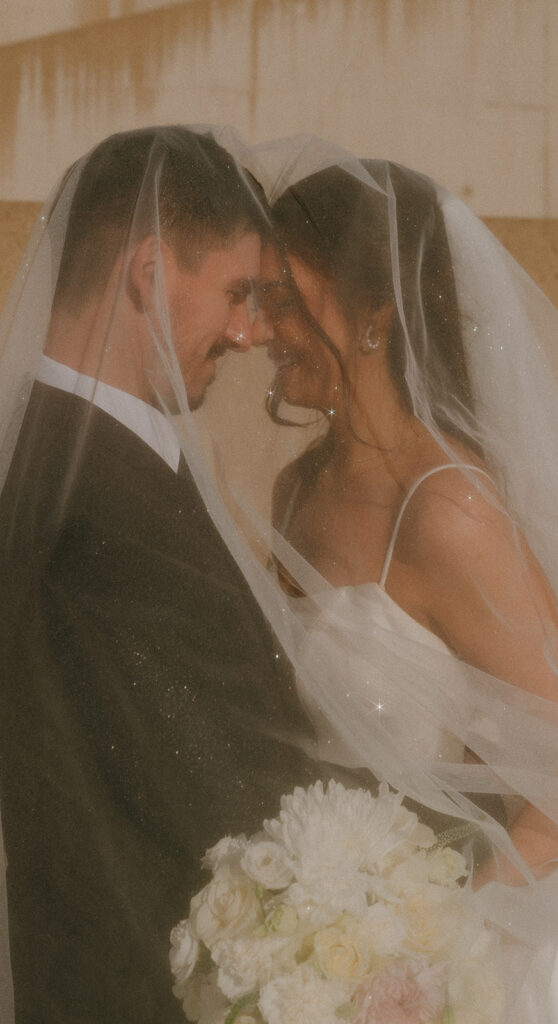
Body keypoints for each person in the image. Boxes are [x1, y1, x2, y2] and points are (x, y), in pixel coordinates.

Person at [235, 151, 558, 1021]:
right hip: (324, 945)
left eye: (284, 297)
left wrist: (436, 943)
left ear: (373, 316)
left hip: (446, 967)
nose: (258, 329)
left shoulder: (447, 511)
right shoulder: (300, 489)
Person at [0, 127, 324, 1023]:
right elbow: (220, 773)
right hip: (138, 987)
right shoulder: (93, 497)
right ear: (147, 273)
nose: (249, 332)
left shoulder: (68, 448)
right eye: (236, 293)